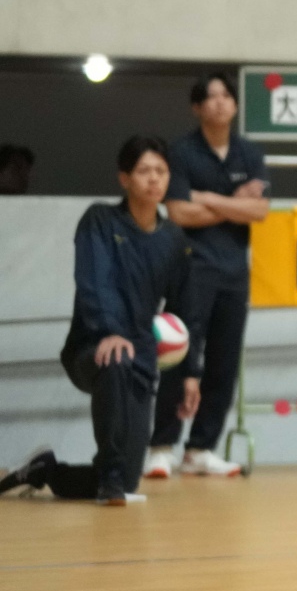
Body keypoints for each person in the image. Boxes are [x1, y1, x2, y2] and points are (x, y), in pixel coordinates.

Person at [2, 137, 193, 505]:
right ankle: (110, 484)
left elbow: (184, 309)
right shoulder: (100, 220)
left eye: (161, 171)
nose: (154, 178)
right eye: (144, 170)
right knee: (115, 360)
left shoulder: (173, 239)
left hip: (141, 358)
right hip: (91, 348)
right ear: (124, 178)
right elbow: (94, 283)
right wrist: (110, 332)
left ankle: (46, 472)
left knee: (128, 479)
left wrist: (190, 372)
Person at [150, 71, 269, 479]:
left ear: (235, 105)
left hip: (235, 272)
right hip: (193, 268)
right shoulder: (182, 152)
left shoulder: (249, 153)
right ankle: (161, 446)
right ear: (197, 107)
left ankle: (200, 449)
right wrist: (233, 203)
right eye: (210, 97)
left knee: (224, 360)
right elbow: (179, 213)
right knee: (178, 352)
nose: (219, 103)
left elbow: (260, 211)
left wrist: (207, 198)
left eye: (226, 96)